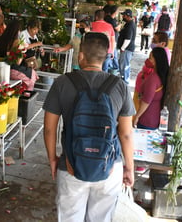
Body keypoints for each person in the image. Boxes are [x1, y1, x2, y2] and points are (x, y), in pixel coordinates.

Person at [43, 32, 135, 222]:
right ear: (107, 56)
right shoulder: (121, 86)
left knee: (69, 217)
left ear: (81, 56)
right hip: (110, 167)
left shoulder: (62, 83)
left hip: (71, 165)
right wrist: (129, 168)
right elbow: (125, 134)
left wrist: (53, 159)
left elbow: (49, 128)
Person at [0, 19, 38, 90]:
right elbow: (17, 62)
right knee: (32, 74)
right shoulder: (17, 42)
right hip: (11, 70)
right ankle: (26, 95)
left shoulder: (0, 39)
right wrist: (22, 51)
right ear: (17, 31)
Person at [133, 47, 169, 130]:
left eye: (150, 58)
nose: (148, 60)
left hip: (147, 119)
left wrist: (137, 116)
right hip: (154, 118)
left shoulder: (153, 78)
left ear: (156, 60)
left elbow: (146, 101)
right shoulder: (160, 75)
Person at [117, 9, 136, 84]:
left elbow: (128, 38)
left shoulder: (129, 25)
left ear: (128, 16)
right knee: (123, 64)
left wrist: (123, 48)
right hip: (127, 49)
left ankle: (125, 81)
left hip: (127, 49)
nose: (123, 16)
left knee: (124, 65)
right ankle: (124, 79)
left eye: (124, 15)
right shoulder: (129, 24)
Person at [103, 5, 120, 72]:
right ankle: (114, 70)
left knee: (112, 57)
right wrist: (119, 25)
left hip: (111, 41)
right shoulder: (110, 20)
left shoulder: (112, 19)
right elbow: (117, 29)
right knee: (113, 56)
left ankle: (113, 70)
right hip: (111, 42)